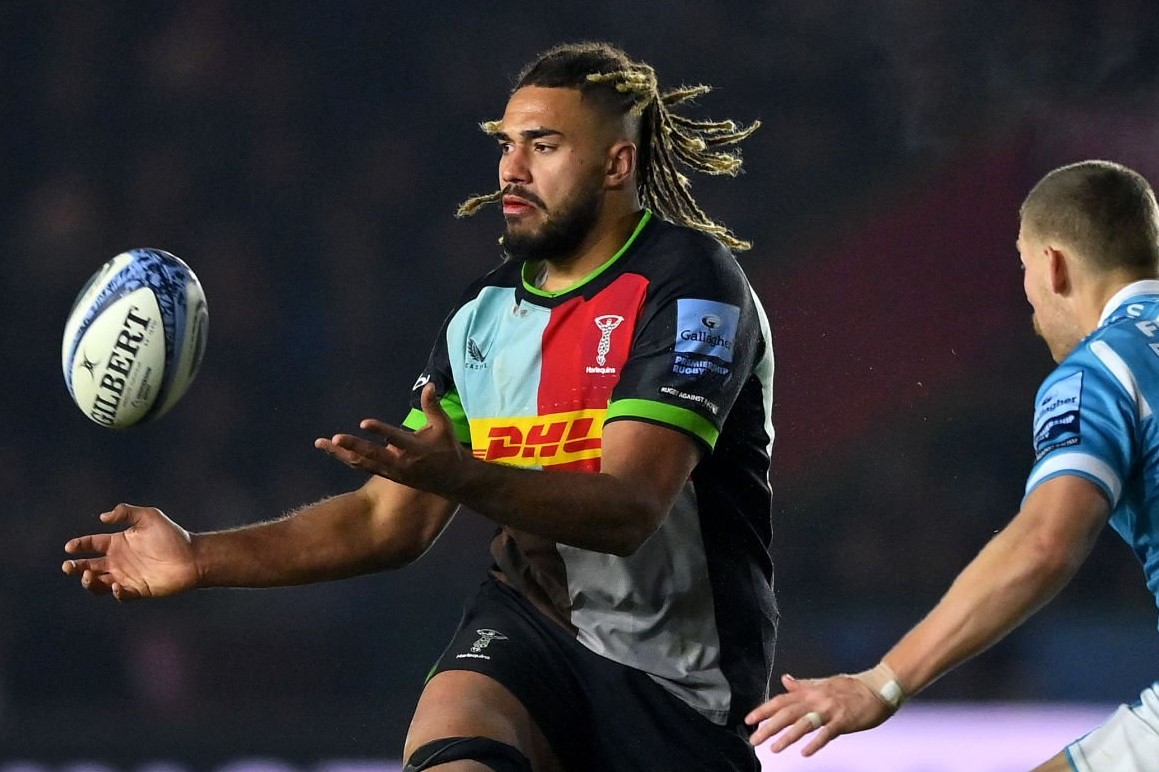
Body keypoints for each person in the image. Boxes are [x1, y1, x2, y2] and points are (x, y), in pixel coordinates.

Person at [63, 42, 777, 772]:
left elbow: (628, 509)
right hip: (528, 627)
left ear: (616, 164)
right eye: (506, 144)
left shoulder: (692, 286)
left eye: (543, 145)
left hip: (677, 681)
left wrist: (462, 476)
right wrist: (197, 554)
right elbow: (386, 520)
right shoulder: (482, 314)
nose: (512, 169)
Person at [746, 159, 1159, 770]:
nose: (1030, 302)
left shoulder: (1102, 371)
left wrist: (884, 681)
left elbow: (1045, 542)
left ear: (1053, 265)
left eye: (1023, 267)